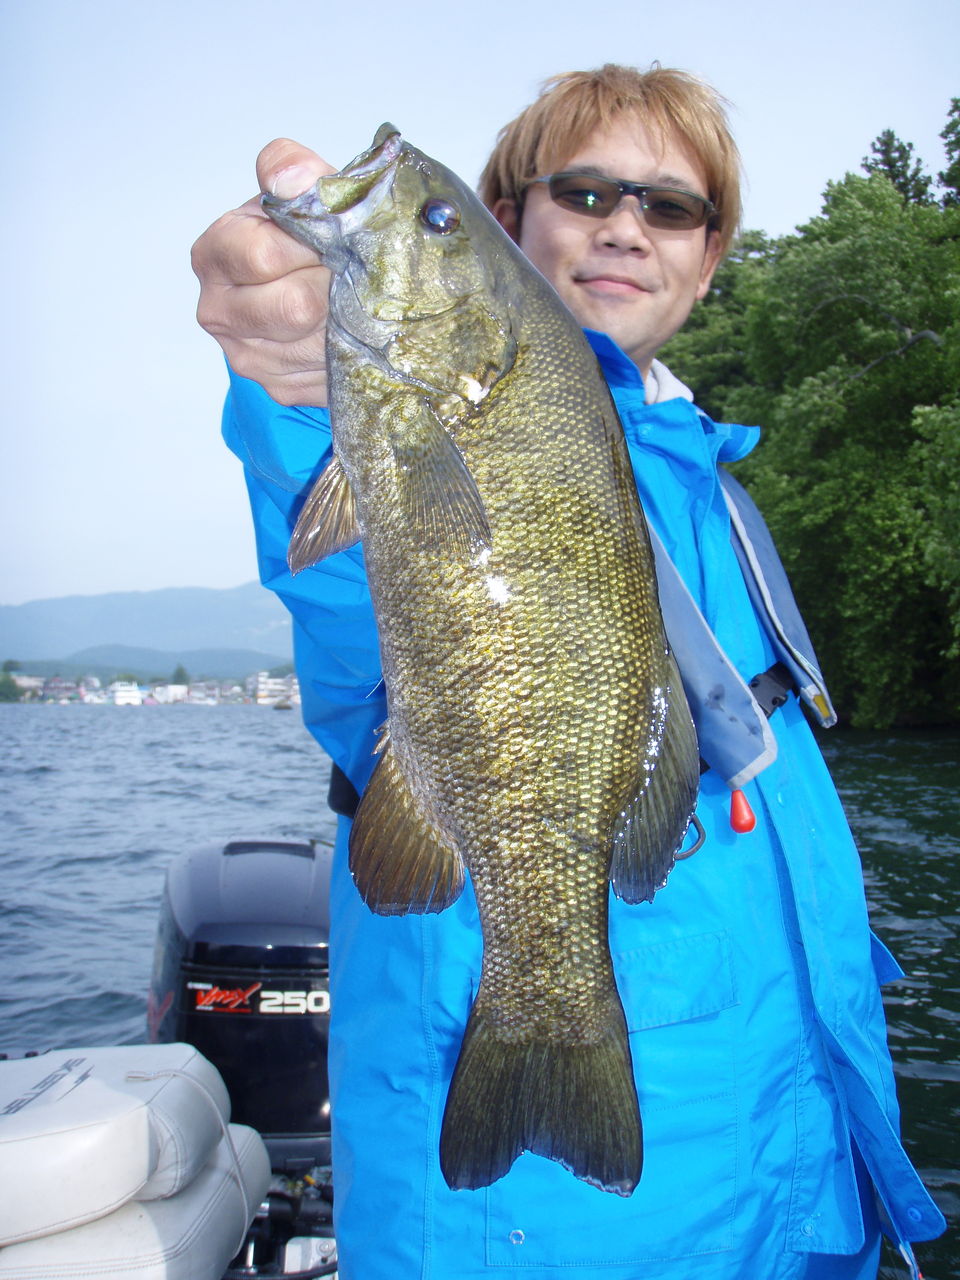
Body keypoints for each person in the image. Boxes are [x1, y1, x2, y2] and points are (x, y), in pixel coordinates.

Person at [192, 64, 944, 1280]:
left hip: (798, 1184)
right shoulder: (436, 403)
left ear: (710, 259)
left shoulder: (713, 490)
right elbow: (348, 600)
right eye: (585, 192)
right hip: (556, 1236)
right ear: (509, 222)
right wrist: (296, 392)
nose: (626, 226)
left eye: (672, 207)